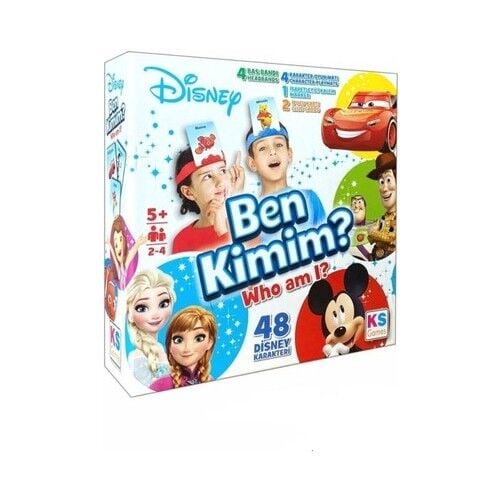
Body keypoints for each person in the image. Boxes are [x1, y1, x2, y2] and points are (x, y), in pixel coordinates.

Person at [245, 122, 325, 239]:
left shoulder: (309, 198)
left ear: (289, 154)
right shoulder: (249, 215)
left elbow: (328, 244)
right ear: (252, 163)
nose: (272, 152)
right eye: (262, 148)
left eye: (278, 145)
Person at [172, 148, 244, 253]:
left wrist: (238, 195)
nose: (220, 182)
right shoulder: (182, 240)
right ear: (188, 192)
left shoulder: (247, 222)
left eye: (222, 171)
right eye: (207, 176)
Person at [126, 269, 176, 387]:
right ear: (130, 315)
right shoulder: (137, 357)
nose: (155, 315)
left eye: (163, 304)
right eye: (142, 308)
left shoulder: (159, 347)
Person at [149, 306, 217, 391]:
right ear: (169, 345)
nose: (187, 348)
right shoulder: (160, 385)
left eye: (198, 338)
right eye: (178, 340)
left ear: (210, 342)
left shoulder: (212, 381)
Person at [366, 152, 397, 260]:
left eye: (388, 180)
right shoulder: (384, 217)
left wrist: (374, 233)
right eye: (381, 182)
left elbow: (392, 238)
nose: (384, 188)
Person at [108, 215, 147, 289]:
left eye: (121, 240)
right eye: (116, 244)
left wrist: (137, 244)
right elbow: (115, 259)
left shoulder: (124, 266)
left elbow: (131, 254)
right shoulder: (119, 268)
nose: (119, 247)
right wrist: (110, 245)